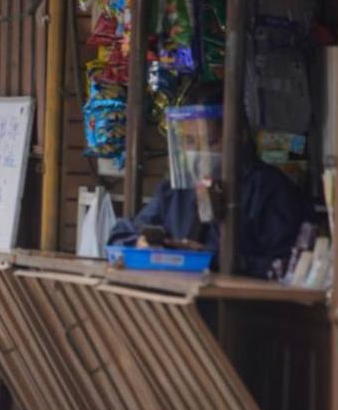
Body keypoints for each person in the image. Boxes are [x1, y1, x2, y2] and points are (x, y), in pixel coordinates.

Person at [107, 84, 314, 278]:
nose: (199, 153)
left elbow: (286, 269)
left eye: (210, 142)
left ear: (239, 136)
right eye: (189, 142)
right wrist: (140, 243)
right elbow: (122, 234)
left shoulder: (271, 191)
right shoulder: (174, 191)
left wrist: (212, 261)